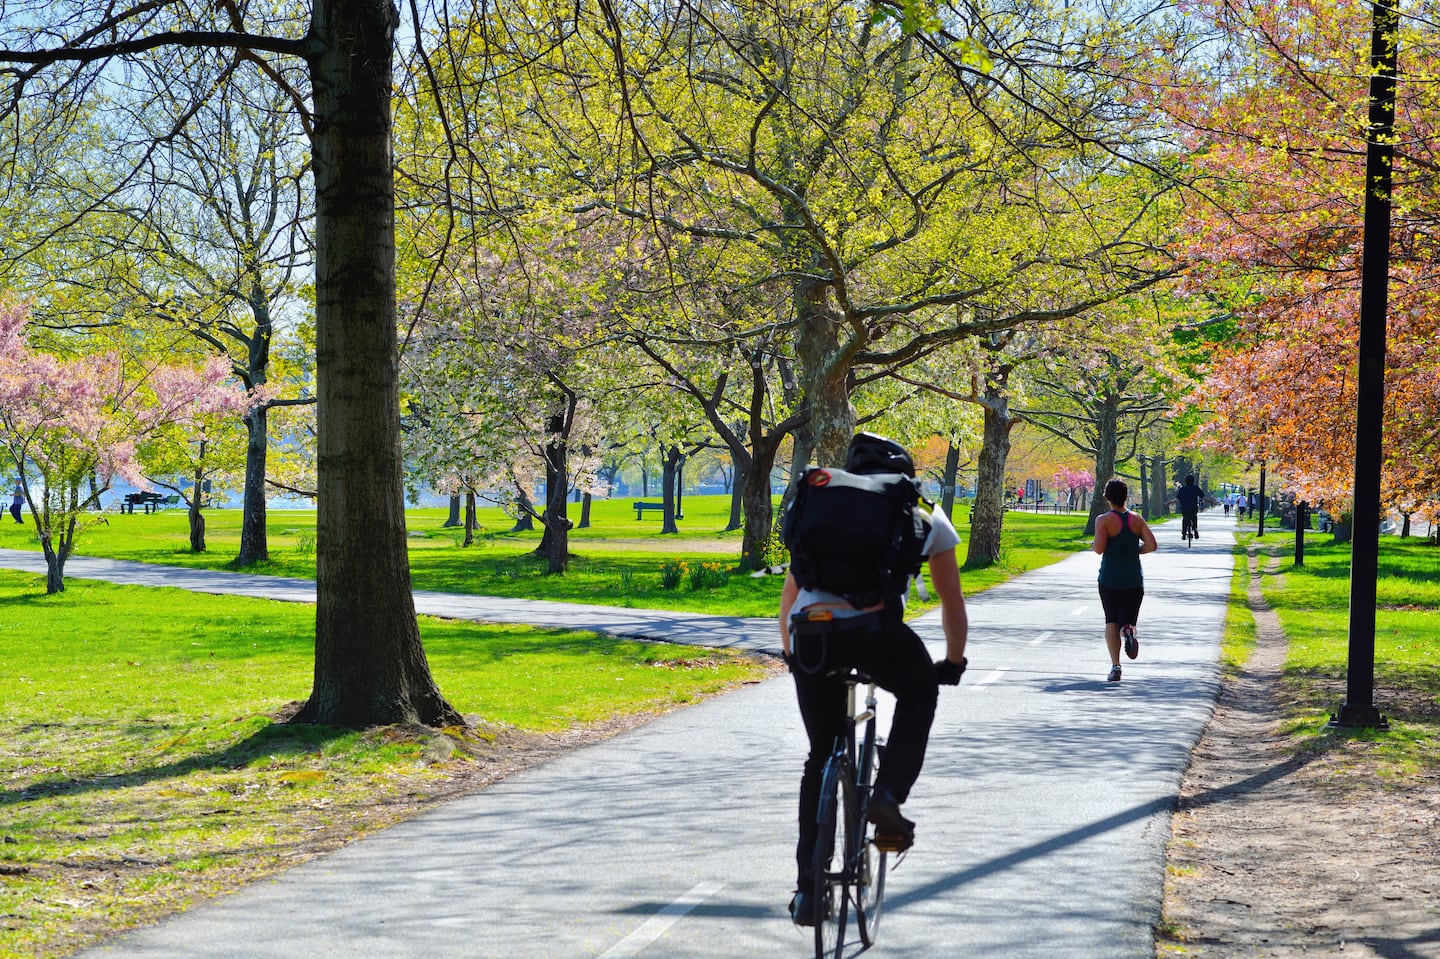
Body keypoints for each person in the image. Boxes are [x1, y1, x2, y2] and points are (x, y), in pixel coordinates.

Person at [780, 433, 968, 926]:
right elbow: (952, 604)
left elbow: (789, 597)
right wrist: (951, 664)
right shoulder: (916, 508)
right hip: (873, 631)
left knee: (820, 756)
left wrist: (790, 654)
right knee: (918, 692)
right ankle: (886, 798)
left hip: (811, 635)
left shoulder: (819, 503)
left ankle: (809, 893)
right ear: (900, 472)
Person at [1092, 478, 1157, 682]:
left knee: (1111, 620)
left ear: (1107, 497)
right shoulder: (1136, 519)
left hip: (1109, 578)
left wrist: (1095, 543)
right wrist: (1136, 550)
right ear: (1126, 497)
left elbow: (1099, 548)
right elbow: (1152, 545)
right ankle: (1128, 630)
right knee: (1128, 619)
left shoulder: (1103, 520)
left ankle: (1116, 666)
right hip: (1133, 580)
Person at [1170, 474, 1204, 539]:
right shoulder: (1196, 488)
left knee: (1185, 518)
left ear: (1186, 481)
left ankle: (1184, 533)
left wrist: (1169, 502)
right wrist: (1212, 501)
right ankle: (1195, 529)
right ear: (1193, 481)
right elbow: (1203, 497)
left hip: (1185, 508)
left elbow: (1177, 499)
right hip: (1193, 508)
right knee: (1194, 517)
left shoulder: (1183, 489)